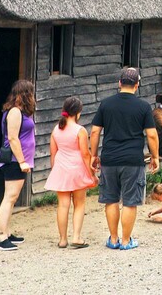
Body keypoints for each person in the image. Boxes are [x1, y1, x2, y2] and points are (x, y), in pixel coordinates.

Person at [89, 68, 159, 250]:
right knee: (130, 201)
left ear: (119, 83)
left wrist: (93, 155)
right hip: (132, 160)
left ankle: (113, 239)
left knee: (111, 199)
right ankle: (126, 241)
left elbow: (95, 131)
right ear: (137, 85)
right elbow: (151, 135)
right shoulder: (143, 107)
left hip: (110, 158)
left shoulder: (106, 104)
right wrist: (155, 156)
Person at [44, 96, 97, 249]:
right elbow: (85, 154)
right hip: (77, 169)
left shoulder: (56, 129)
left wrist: (55, 170)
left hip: (61, 168)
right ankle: (76, 237)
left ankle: (62, 239)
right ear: (78, 112)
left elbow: (53, 153)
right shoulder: (80, 130)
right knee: (79, 204)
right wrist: (91, 174)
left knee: (62, 205)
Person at [0, 80, 36, 251]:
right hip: (13, 161)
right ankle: (1, 237)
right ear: (25, 94)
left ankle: (7, 232)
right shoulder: (15, 112)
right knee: (9, 197)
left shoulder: (18, 112)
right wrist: (21, 161)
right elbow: (12, 138)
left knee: (12, 198)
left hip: (17, 160)